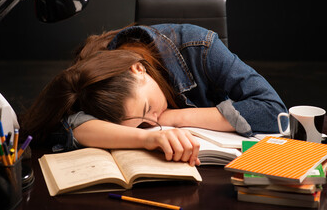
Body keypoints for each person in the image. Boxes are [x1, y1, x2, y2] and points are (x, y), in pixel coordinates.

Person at [20, 23, 287, 167]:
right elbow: (63, 127)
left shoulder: (201, 47)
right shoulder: (93, 83)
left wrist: (176, 117)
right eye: (141, 121)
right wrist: (147, 137)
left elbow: (275, 112)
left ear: (138, 69)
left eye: (148, 108)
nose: (155, 119)